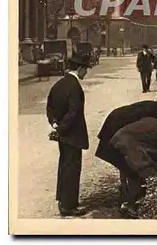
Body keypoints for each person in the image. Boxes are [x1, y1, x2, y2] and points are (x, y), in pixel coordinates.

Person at [46, 53, 91, 217]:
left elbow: (50, 107)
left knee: (64, 166)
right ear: (80, 68)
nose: (86, 73)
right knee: (72, 168)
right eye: (86, 70)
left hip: (63, 135)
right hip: (72, 135)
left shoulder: (59, 84)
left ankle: (62, 199)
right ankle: (69, 206)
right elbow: (74, 112)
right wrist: (62, 129)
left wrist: (55, 124)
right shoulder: (75, 87)